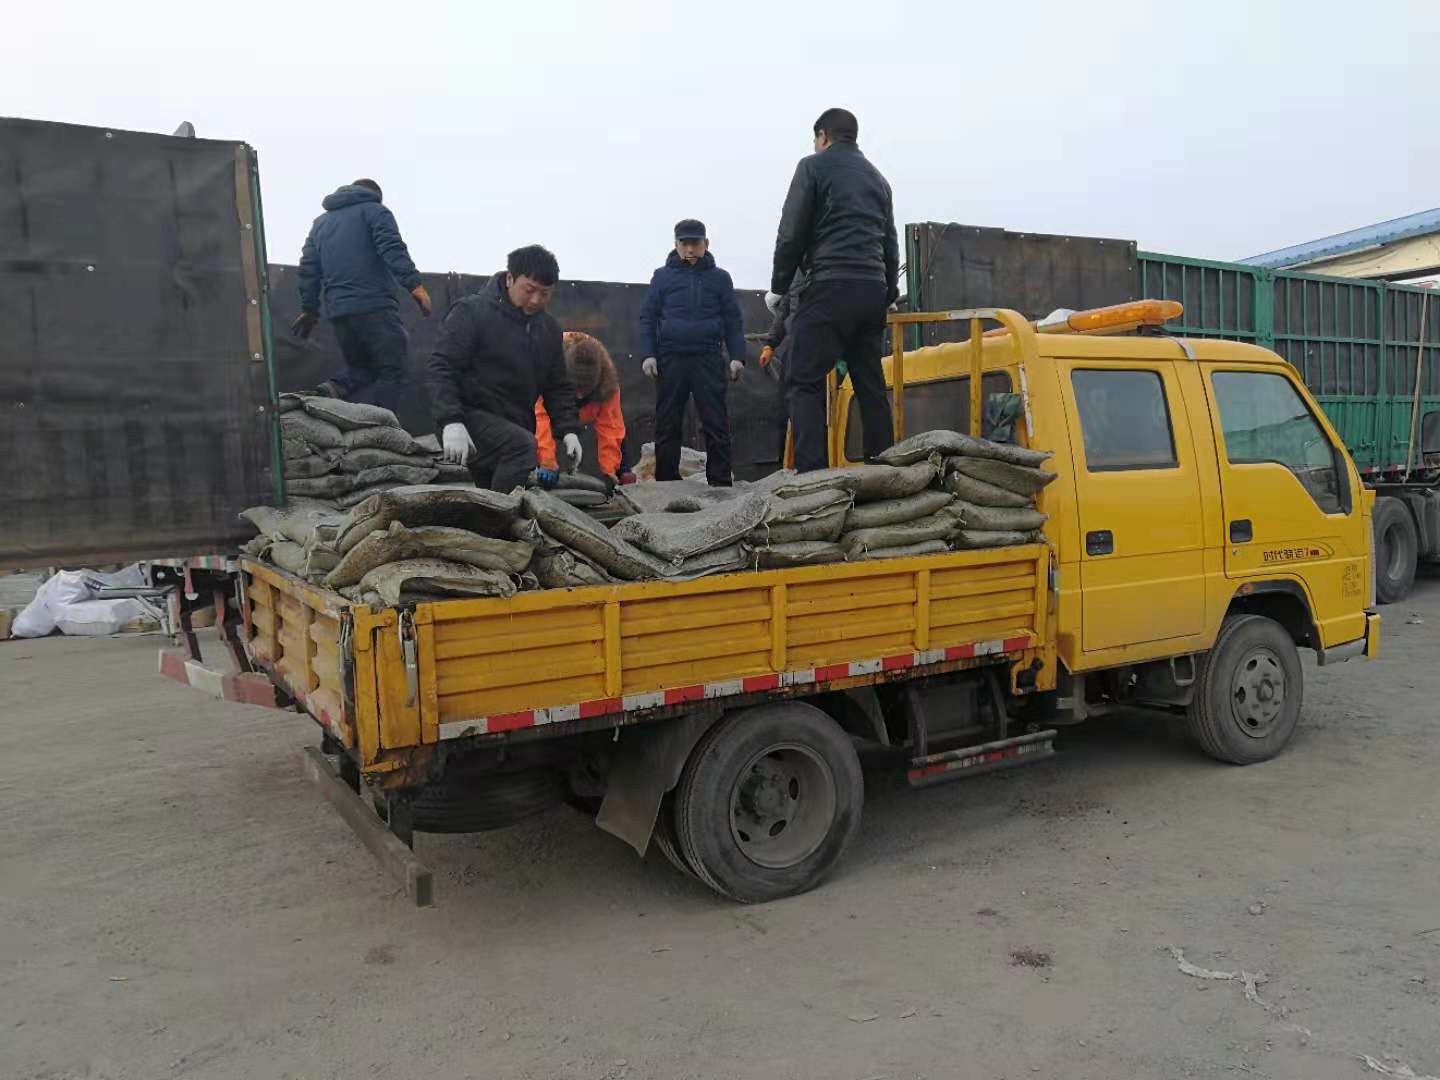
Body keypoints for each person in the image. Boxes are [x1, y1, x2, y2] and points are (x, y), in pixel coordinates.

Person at [767, 107, 899, 472]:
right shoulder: (879, 180)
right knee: (870, 384)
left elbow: (791, 232)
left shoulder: (812, 167)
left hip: (829, 285)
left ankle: (814, 480)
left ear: (823, 136)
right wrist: (888, 292)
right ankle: (884, 470)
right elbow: (890, 244)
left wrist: (779, 286)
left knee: (803, 380)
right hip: (872, 291)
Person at [427, 245, 583, 492]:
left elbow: (557, 386)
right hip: (469, 418)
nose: (536, 300)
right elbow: (442, 366)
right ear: (510, 278)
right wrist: (451, 421)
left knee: (492, 487)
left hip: (514, 424)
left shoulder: (548, 330)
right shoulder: (472, 312)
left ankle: (489, 514)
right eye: (529, 290)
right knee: (522, 447)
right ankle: (499, 516)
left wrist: (569, 431)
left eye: (544, 294)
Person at [292, 179, 432, 413]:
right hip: (374, 305)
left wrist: (310, 309)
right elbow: (392, 247)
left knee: (360, 370)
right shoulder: (376, 211)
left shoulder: (320, 224)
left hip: (339, 313)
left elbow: (308, 269)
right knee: (393, 368)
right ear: (375, 195)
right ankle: (382, 425)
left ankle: (331, 389)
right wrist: (415, 286)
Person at [638, 219, 747, 486]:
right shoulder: (662, 277)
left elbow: (733, 320)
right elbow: (647, 317)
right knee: (667, 423)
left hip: (708, 357)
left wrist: (737, 356)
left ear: (705, 244)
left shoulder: (720, 278)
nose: (689, 249)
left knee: (716, 422)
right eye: (684, 243)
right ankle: (667, 483)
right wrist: (648, 354)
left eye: (695, 243)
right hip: (670, 358)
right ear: (676, 245)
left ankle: (720, 483)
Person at [533, 331, 627, 487]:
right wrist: (547, 461)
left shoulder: (608, 382)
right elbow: (539, 417)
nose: (580, 395)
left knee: (619, 436)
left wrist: (609, 472)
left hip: (588, 409)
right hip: (547, 409)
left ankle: (622, 472)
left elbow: (611, 428)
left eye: (585, 390)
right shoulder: (547, 367)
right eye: (576, 389)